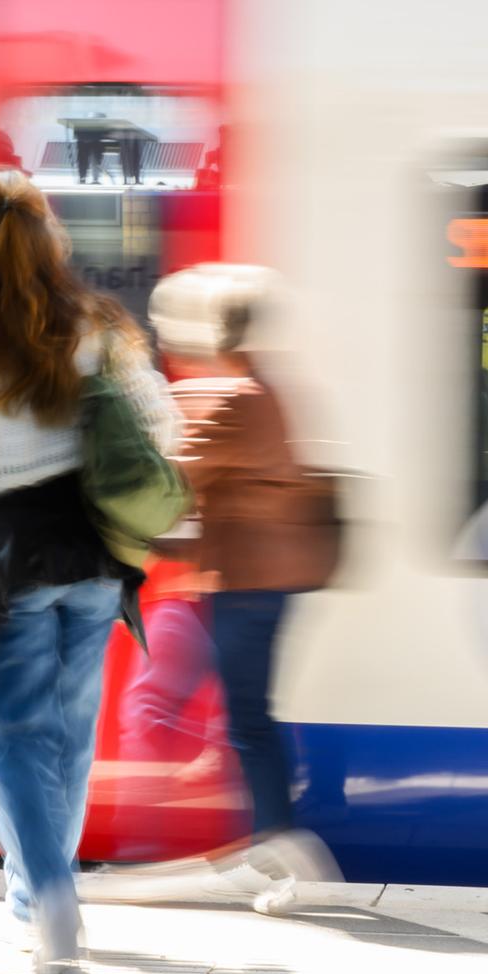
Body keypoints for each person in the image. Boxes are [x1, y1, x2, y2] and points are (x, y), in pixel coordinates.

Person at [0, 166, 180, 974]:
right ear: (48, 240)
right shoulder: (94, 322)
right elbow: (162, 426)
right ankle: (44, 897)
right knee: (69, 739)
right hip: (93, 558)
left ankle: (47, 906)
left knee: (17, 741)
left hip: (7, 563)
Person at [147, 264, 343, 913]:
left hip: (248, 583)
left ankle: (284, 855)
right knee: (247, 718)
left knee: (247, 722)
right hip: (260, 580)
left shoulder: (236, 400)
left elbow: (175, 477)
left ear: (216, 333)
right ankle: (271, 851)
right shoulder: (263, 390)